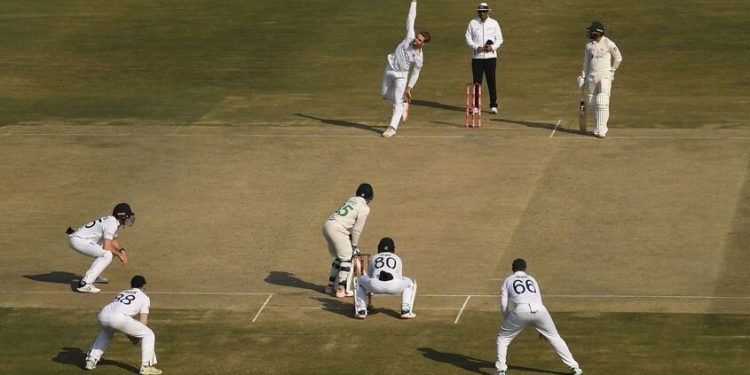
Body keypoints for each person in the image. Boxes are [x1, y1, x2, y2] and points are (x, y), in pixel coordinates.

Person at [494, 258, 583, 375]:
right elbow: (538, 298)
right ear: (525, 268)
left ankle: (501, 370)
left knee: (503, 339)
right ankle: (574, 368)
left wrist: (507, 318)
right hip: (541, 309)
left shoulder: (508, 280)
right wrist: (542, 327)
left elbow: (503, 303)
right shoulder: (532, 279)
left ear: (512, 268)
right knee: (555, 338)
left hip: (520, 310)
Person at [84, 275, 162, 375]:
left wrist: (132, 334)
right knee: (148, 334)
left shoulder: (123, 292)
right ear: (143, 286)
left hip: (103, 315)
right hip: (118, 318)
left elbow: (121, 318)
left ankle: (91, 360)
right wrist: (136, 336)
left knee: (107, 332)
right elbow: (143, 319)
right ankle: (146, 367)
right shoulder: (144, 297)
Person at [380, 0, 431, 138]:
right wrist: (413, 3)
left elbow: (416, 72)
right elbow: (411, 18)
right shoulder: (409, 37)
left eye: (420, 40)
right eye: (417, 38)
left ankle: (392, 128)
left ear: (423, 44)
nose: (416, 40)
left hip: (401, 76)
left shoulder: (419, 57)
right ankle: (403, 104)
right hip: (390, 67)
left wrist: (409, 88)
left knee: (397, 102)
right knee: (384, 93)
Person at [66, 203, 135, 293]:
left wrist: (122, 251)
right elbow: (107, 246)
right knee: (107, 254)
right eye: (127, 217)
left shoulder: (113, 221)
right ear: (121, 216)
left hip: (81, 239)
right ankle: (85, 284)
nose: (128, 219)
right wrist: (119, 255)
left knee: (110, 252)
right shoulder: (112, 223)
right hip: (78, 240)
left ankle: (93, 276)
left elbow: (113, 241)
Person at [323, 183, 373, 298]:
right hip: (337, 229)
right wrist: (354, 245)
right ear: (370, 197)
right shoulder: (364, 207)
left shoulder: (351, 199)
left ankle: (330, 286)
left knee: (339, 256)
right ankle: (342, 289)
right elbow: (357, 229)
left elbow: (348, 220)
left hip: (327, 225)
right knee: (347, 257)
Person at [353, 237, 417, 320]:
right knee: (410, 283)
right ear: (393, 249)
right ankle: (405, 310)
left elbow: (369, 276)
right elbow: (399, 277)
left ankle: (361, 310)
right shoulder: (397, 258)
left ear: (379, 248)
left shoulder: (374, 257)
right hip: (394, 285)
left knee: (359, 281)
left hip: (375, 285)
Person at [578, 21, 622, 138]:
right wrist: (583, 76)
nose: (589, 33)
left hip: (605, 74)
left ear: (598, 32)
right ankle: (598, 126)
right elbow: (586, 62)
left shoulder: (608, 43)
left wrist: (612, 70)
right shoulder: (589, 45)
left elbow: (618, 57)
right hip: (592, 76)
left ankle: (602, 129)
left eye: (591, 31)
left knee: (602, 101)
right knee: (592, 102)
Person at [465, 2, 503, 115]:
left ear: (488, 12)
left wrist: (491, 47)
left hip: (491, 57)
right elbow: (467, 38)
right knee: (477, 82)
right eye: (480, 11)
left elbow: (500, 39)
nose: (482, 13)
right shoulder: (473, 23)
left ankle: (493, 105)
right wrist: (477, 47)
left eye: (484, 11)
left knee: (491, 80)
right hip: (477, 57)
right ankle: (476, 106)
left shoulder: (494, 23)